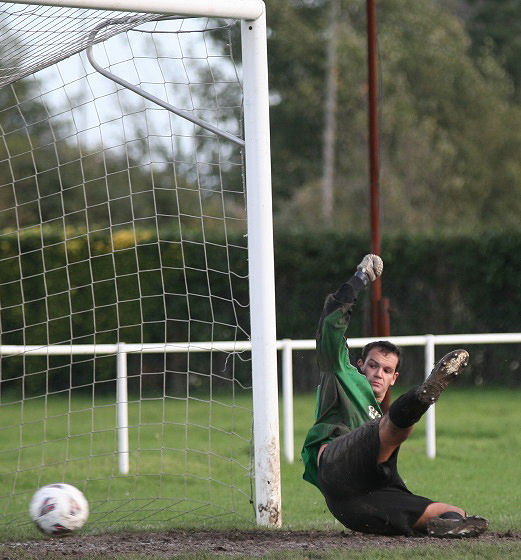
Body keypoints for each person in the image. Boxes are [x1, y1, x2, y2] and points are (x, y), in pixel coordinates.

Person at [301, 254, 488, 538]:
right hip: (335, 469)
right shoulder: (340, 373)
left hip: (362, 502)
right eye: (372, 365)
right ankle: (423, 397)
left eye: (386, 370)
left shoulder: (374, 412)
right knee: (388, 429)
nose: (377, 373)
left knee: (456, 512)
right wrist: (360, 279)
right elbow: (330, 324)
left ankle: (448, 527)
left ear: (393, 378)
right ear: (360, 365)